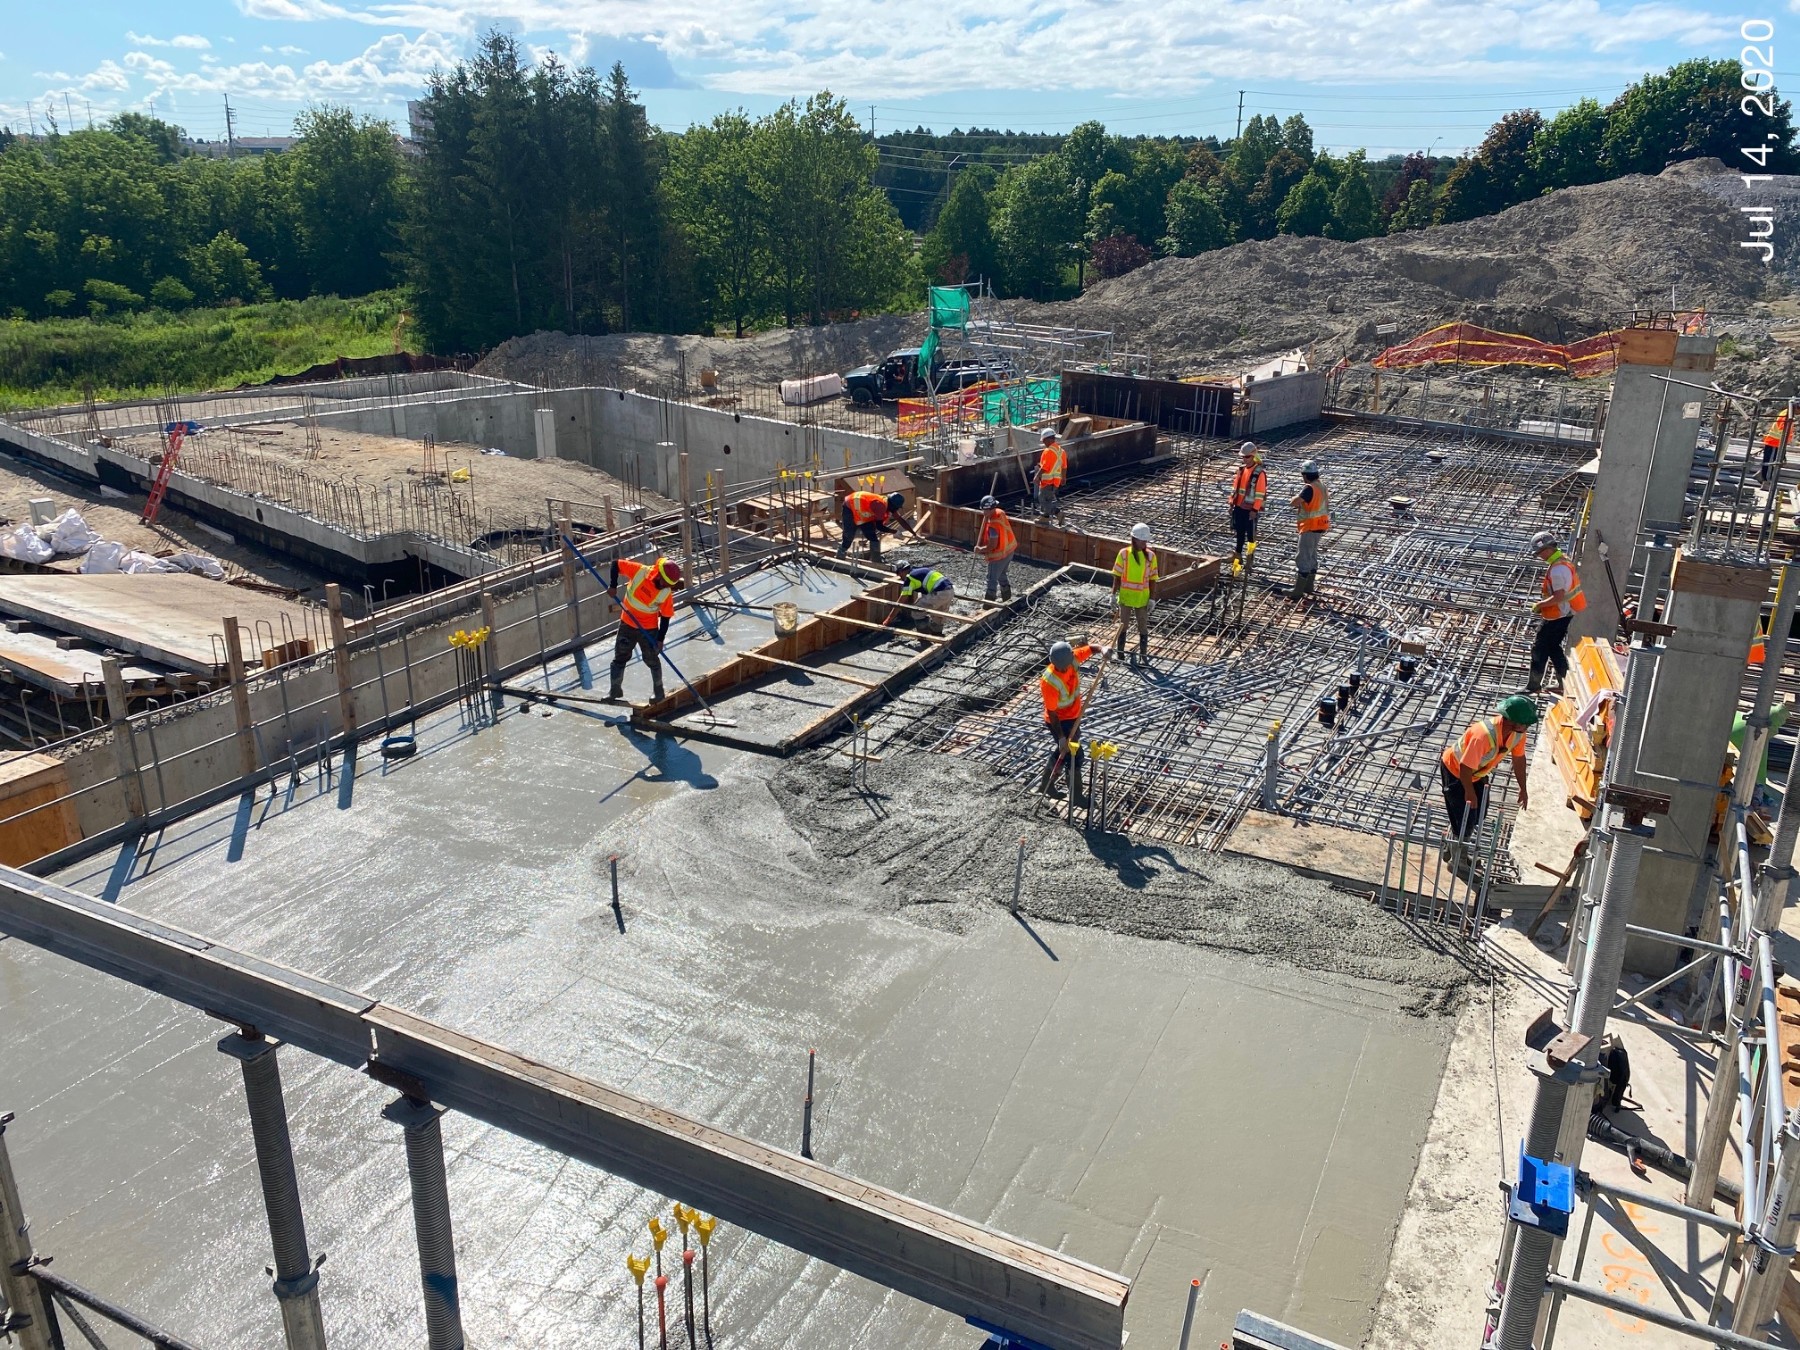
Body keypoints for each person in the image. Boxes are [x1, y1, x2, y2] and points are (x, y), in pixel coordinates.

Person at [1440, 694, 1536, 869]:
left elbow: (1519, 760)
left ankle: (1451, 845)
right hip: (1455, 771)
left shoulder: (1518, 734)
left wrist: (1523, 788)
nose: (1528, 726)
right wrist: (1469, 792)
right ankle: (1458, 862)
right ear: (1514, 720)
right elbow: (1465, 767)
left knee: (1479, 812)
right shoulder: (1483, 735)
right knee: (1465, 819)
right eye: (1526, 722)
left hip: (1476, 773)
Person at [607, 554, 683, 701]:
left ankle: (659, 692)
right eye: (664, 582)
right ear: (657, 574)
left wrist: (660, 639)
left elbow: (666, 617)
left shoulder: (666, 593)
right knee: (620, 658)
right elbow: (615, 564)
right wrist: (613, 586)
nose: (665, 586)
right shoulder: (640, 572)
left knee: (652, 660)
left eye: (669, 585)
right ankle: (615, 691)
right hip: (627, 624)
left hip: (649, 629)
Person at [1039, 638, 1106, 803]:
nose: (1062, 669)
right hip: (1059, 721)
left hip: (1073, 715)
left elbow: (1092, 648)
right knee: (1075, 755)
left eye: (1064, 666)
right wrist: (1061, 737)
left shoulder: (1072, 658)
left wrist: (1104, 649)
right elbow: (1052, 713)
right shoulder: (1049, 681)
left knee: (1064, 752)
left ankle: (1046, 784)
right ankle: (1076, 796)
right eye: (1059, 667)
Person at [1527, 530, 1586, 694]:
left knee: (1539, 648)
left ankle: (1533, 686)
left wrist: (1540, 604)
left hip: (1559, 614)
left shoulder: (1558, 570)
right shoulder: (1563, 561)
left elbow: (1558, 596)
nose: (1539, 556)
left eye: (1539, 553)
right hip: (1565, 612)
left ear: (1547, 549)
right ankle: (1564, 684)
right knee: (1553, 647)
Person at [1111, 522, 1158, 663]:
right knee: (1122, 626)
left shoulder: (1151, 556)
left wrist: (1152, 599)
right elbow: (1117, 576)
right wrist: (1113, 595)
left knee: (1142, 627)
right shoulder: (1124, 554)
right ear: (1134, 539)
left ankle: (1143, 656)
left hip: (1142, 599)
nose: (1145, 543)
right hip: (1125, 597)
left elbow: (1153, 579)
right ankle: (1120, 654)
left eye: (1146, 541)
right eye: (1142, 540)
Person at [1289, 459, 1330, 598]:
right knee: (1312, 555)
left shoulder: (1309, 488)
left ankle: (1298, 591)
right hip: (1320, 525)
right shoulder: (1321, 486)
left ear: (1305, 475)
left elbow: (1294, 502)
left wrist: (1295, 496)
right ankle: (1309, 586)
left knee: (1303, 557)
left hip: (1310, 527)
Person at [836, 489, 910, 562]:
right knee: (849, 534)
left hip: (862, 511)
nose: (896, 510)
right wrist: (894, 531)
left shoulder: (886, 503)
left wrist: (912, 532)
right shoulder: (881, 506)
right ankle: (840, 554)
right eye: (896, 508)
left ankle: (876, 560)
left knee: (872, 536)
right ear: (892, 505)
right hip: (850, 506)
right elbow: (879, 527)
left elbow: (899, 519)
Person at [1228, 441, 1267, 573]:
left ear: (1253, 456)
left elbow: (1260, 494)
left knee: (1251, 536)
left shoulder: (1259, 473)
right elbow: (1235, 488)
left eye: (1247, 457)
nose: (1245, 459)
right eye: (1243, 457)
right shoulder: (1241, 470)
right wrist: (1231, 502)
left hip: (1250, 510)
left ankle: (1249, 561)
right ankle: (1237, 562)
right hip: (1239, 507)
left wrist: (1255, 510)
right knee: (1239, 535)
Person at [975, 494, 1017, 602]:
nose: (983, 513)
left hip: (999, 555)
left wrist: (980, 549)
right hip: (1009, 550)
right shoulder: (1000, 512)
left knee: (991, 579)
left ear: (992, 509)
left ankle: (988, 605)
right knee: (1001, 574)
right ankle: (1007, 597)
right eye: (983, 510)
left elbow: (992, 545)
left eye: (986, 510)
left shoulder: (993, 525)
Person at [893, 562, 955, 635]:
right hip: (950, 591)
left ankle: (924, 636)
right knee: (939, 616)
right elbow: (925, 594)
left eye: (898, 573)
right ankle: (937, 635)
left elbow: (901, 601)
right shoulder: (921, 571)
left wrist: (887, 620)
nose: (899, 576)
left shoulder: (909, 578)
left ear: (901, 571)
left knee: (916, 612)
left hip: (939, 593)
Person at [1033, 427, 1067, 525]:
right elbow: (1064, 466)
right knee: (1048, 499)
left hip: (1047, 481)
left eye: (1044, 441)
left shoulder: (1048, 451)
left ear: (1048, 439)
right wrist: (1063, 478)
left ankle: (1057, 513)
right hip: (1056, 482)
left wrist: (1037, 476)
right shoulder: (1061, 451)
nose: (1044, 443)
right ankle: (1045, 517)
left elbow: (1045, 467)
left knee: (1042, 499)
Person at [1762, 402, 1793, 486]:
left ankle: (1764, 477)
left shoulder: (1788, 413)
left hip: (1779, 443)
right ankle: (1766, 482)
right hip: (1774, 442)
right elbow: (1782, 428)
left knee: (1774, 462)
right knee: (1770, 462)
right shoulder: (1786, 415)